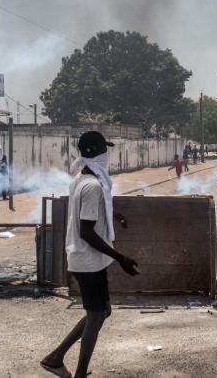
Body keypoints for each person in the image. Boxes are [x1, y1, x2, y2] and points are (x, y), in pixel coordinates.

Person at [42, 131, 140, 378]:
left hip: (87, 259)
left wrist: (113, 215)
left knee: (102, 311)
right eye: (104, 150)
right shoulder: (93, 185)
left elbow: (89, 214)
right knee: (96, 316)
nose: (107, 154)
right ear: (98, 152)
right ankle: (79, 374)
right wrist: (121, 258)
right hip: (87, 261)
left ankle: (55, 358)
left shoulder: (81, 179)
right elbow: (86, 231)